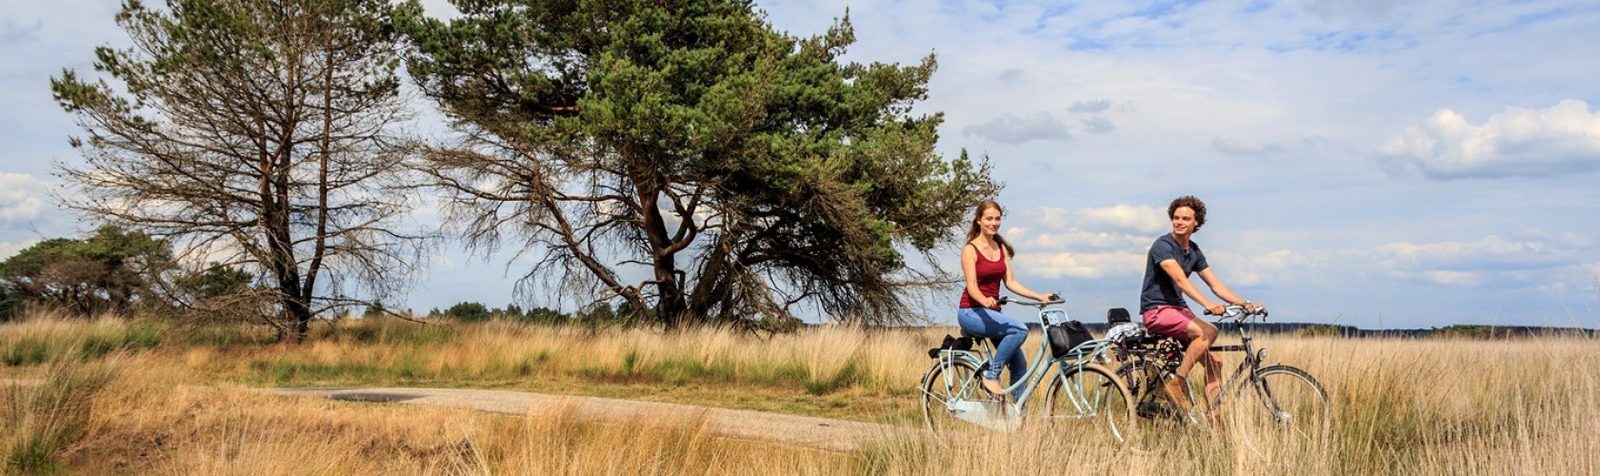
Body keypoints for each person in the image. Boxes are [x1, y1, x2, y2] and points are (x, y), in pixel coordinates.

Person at [1139, 195, 1262, 414]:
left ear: (1196, 223)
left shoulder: (1193, 251)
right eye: (1176, 217)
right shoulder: (1163, 246)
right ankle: (1177, 381)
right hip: (1157, 310)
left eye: (1185, 218)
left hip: (1178, 310)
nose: (1179, 222)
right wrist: (1208, 304)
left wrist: (1245, 303)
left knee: (1215, 363)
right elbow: (1180, 280)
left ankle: (1216, 419)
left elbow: (1216, 284)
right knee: (1209, 330)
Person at [957, 200, 1057, 400]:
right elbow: (972, 287)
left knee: (1019, 365)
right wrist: (985, 300)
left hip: (992, 314)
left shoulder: (1000, 248)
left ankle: (1017, 417)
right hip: (971, 312)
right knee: (1019, 329)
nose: (994, 223)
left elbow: (1011, 282)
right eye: (989, 218)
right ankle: (991, 375)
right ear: (979, 221)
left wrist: (1039, 296)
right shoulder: (970, 250)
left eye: (997, 218)